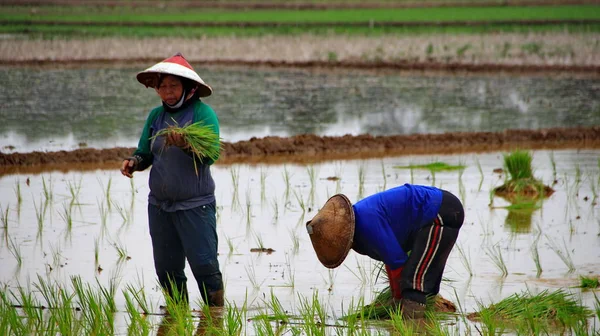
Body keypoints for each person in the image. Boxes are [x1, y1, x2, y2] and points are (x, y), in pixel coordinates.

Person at [120, 53, 224, 307]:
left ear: (187, 87)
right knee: (166, 268)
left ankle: (216, 316)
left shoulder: (202, 114)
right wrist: (134, 163)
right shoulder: (156, 117)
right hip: (160, 207)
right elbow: (145, 152)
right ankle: (177, 316)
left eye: (173, 86)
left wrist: (187, 144)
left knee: (203, 264)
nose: (167, 92)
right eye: (162, 86)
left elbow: (211, 154)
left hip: (194, 206)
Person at [306, 183, 464, 318]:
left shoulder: (367, 224)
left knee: (413, 283)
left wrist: (398, 299)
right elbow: (391, 259)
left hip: (440, 212)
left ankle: (414, 324)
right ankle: (428, 314)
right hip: (437, 211)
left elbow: (397, 264)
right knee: (426, 281)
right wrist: (396, 301)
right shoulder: (360, 220)